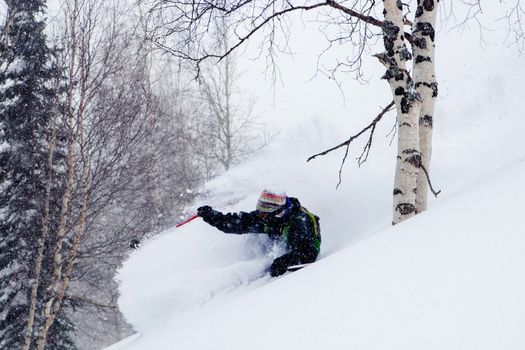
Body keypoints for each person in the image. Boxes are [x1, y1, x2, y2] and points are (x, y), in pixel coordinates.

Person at [197, 190, 321, 277]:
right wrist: (212, 216)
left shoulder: (298, 222)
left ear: (278, 210)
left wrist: (284, 261)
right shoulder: (267, 218)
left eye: (266, 209)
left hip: (300, 251)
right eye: (261, 206)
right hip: (282, 244)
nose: (260, 213)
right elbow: (237, 224)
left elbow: (308, 254)